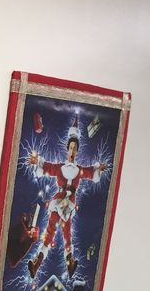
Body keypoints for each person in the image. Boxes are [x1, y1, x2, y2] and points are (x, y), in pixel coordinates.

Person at [27, 117, 108, 278]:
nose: (72, 152)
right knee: (50, 232)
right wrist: (37, 162)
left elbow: (92, 172)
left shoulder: (80, 170)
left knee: (66, 233)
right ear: (67, 149)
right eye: (70, 148)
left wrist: (100, 168)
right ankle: (37, 262)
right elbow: (46, 168)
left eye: (74, 149)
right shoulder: (59, 168)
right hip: (58, 202)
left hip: (68, 205)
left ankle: (69, 261)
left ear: (77, 151)